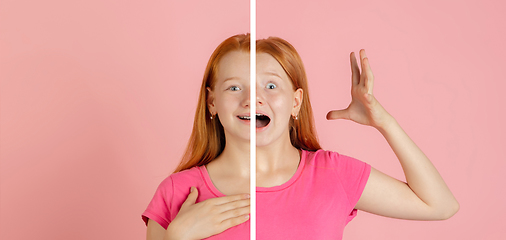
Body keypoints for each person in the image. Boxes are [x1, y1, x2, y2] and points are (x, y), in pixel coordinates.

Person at [142, 33, 459, 240]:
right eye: (234, 87)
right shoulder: (178, 192)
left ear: (295, 102)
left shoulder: (333, 174)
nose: (252, 100)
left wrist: (384, 122)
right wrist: (175, 239)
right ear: (212, 102)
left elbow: (439, 205)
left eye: (270, 86)